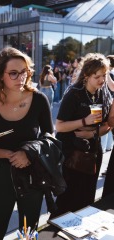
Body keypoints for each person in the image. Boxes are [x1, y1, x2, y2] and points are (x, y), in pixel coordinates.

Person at [0, 47, 54, 239]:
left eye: (24, 72)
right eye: (14, 73)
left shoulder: (39, 99)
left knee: (28, 233)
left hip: (32, 173)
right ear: (1, 75)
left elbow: (50, 135)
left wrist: (28, 153)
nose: (21, 78)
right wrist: (10, 155)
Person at [54, 53, 112, 217]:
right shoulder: (74, 93)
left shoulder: (103, 93)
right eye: (97, 76)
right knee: (67, 200)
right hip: (71, 155)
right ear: (86, 75)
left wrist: (91, 133)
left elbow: (106, 126)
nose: (102, 80)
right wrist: (84, 121)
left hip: (93, 153)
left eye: (104, 75)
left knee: (87, 198)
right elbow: (59, 126)